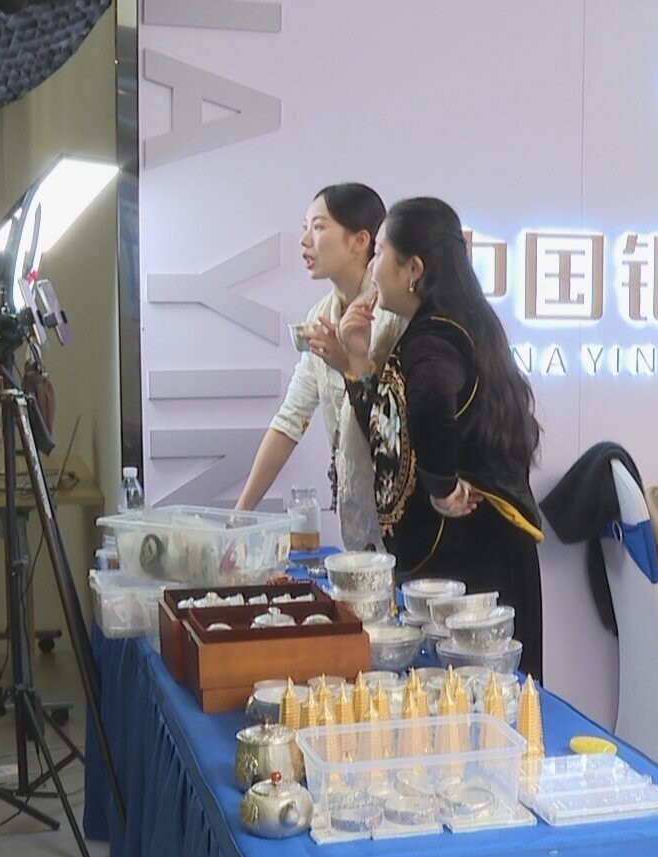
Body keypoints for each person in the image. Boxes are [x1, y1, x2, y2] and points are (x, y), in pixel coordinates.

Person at [318, 196, 546, 679]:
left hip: (469, 560)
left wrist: (441, 486)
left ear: (414, 269)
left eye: (381, 253)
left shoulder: (435, 338)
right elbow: (393, 428)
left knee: (476, 696)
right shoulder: (455, 324)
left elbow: (428, 403)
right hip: (475, 553)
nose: (372, 267)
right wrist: (356, 360)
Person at [233, 184, 405, 552]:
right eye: (304, 227)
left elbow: (399, 421)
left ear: (360, 241)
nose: (304, 241)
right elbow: (290, 420)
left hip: (404, 517)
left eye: (318, 227)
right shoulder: (321, 315)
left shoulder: (392, 313)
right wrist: (241, 515)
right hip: (356, 514)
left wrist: (349, 362)